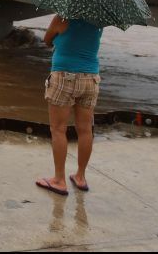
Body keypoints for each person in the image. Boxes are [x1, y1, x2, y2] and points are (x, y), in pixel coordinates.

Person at [36, 15, 103, 196]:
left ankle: (59, 180)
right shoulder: (100, 21)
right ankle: (80, 177)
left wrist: (59, 40)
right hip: (90, 79)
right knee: (85, 130)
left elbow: (47, 40)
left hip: (64, 76)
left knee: (58, 129)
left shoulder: (62, 18)